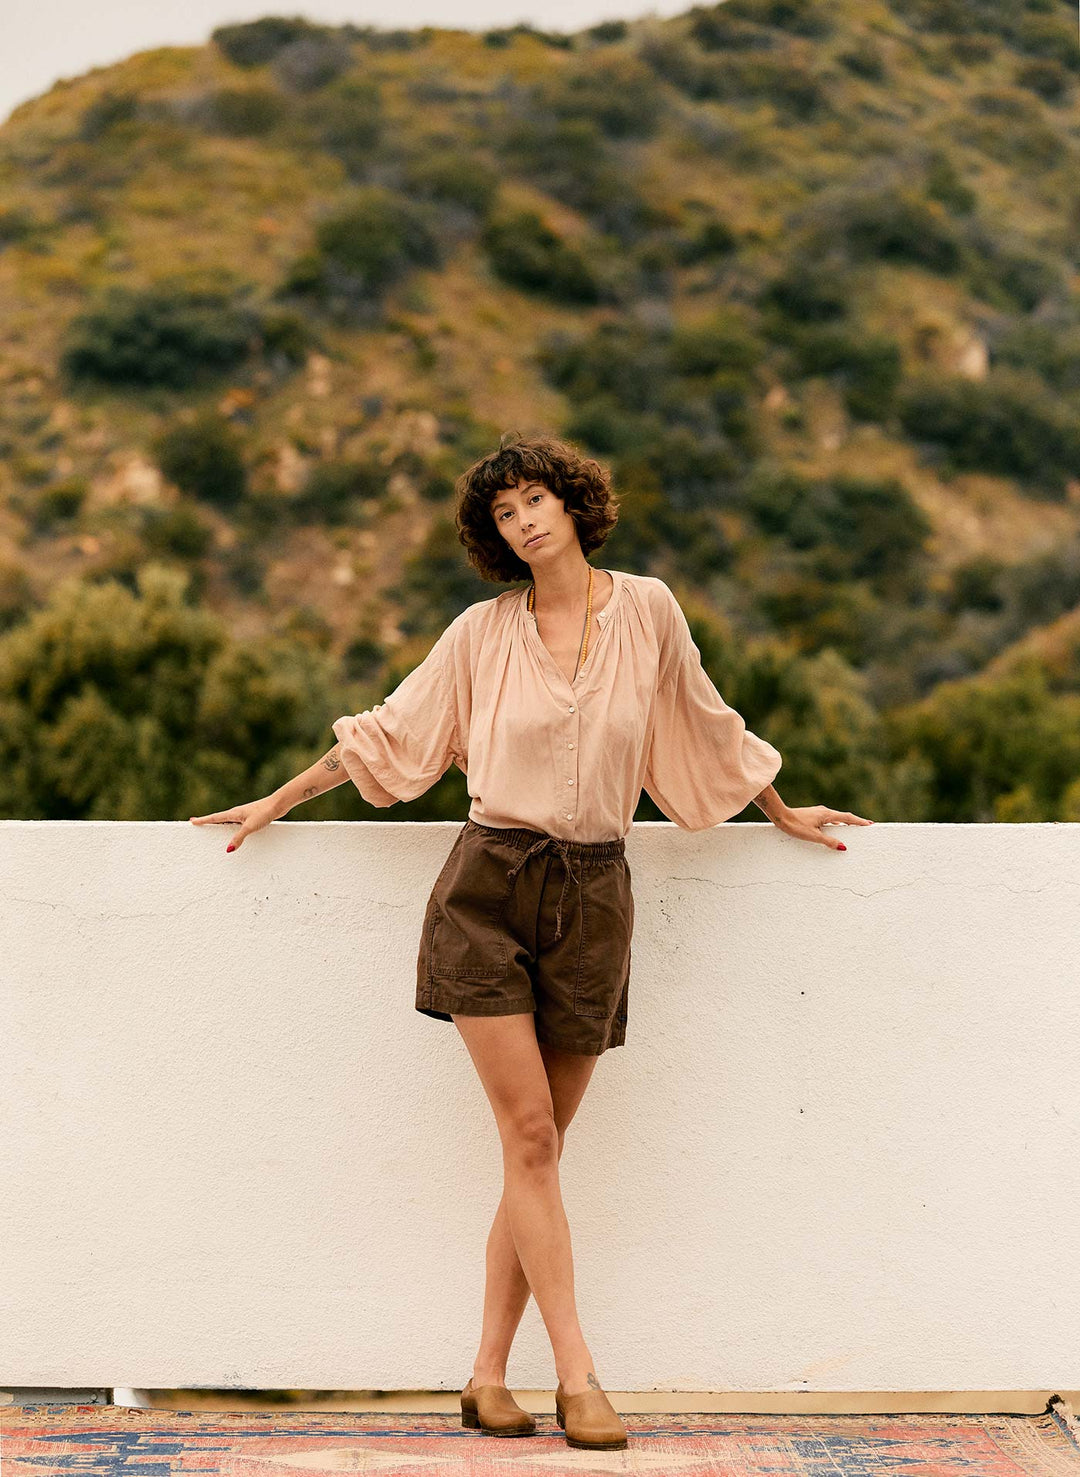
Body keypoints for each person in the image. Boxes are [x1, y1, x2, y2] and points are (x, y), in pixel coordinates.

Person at [191, 431, 873, 1450]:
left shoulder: (647, 608)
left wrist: (776, 809)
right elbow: (391, 732)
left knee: (536, 1153)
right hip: (487, 890)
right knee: (533, 1139)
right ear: (496, 536)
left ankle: (482, 1377)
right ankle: (581, 1377)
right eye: (505, 513)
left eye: (537, 499)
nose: (525, 520)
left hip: (596, 896)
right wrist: (278, 800)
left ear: (573, 503)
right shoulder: (480, 633)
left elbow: (702, 720)